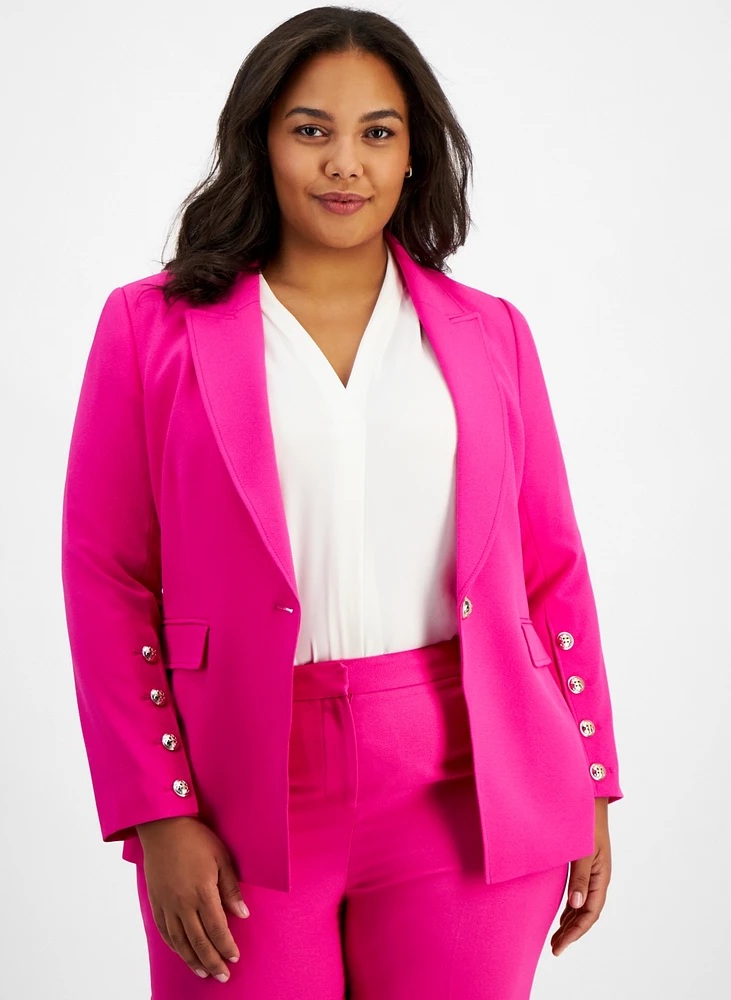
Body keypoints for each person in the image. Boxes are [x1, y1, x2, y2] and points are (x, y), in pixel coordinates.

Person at [61, 7, 623, 998]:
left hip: (472, 788)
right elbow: (107, 575)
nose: (344, 163)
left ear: (413, 155)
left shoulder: (492, 333)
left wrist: (588, 780)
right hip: (241, 787)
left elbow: (551, 568)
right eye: (311, 129)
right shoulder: (150, 329)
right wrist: (158, 809)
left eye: (377, 132)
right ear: (261, 143)